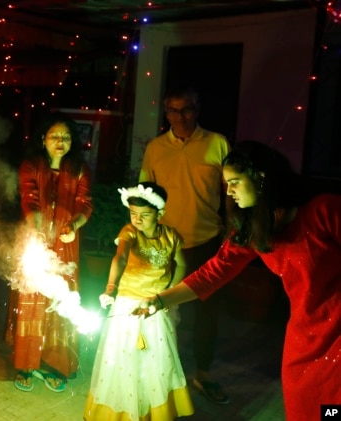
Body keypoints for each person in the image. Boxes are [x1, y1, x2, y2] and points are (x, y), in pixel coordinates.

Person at [133, 140, 341, 420]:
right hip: (304, 338)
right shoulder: (254, 227)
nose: (228, 192)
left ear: (260, 178)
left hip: (337, 335)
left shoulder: (324, 211)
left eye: (234, 182)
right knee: (305, 408)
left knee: (332, 411)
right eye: (226, 183)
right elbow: (214, 272)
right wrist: (159, 300)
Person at [138, 86, 230, 404]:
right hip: (166, 246)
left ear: (198, 109)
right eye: (174, 110)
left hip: (206, 242)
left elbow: (229, 192)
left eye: (187, 109)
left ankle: (203, 375)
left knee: (207, 314)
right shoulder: (155, 148)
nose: (181, 116)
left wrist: (231, 232)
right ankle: (163, 377)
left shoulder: (217, 144)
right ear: (166, 114)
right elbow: (143, 194)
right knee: (164, 311)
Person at [84, 182, 194, 420]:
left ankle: (153, 410)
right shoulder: (129, 232)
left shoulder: (171, 235)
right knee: (124, 358)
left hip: (157, 306)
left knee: (157, 358)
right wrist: (111, 288)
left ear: (160, 214)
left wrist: (169, 293)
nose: (138, 220)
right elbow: (120, 257)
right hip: (127, 304)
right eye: (133, 214)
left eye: (145, 215)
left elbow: (182, 264)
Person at [5, 113, 93, 392]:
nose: (60, 141)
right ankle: (26, 364)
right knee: (32, 300)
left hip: (66, 243)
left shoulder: (79, 168)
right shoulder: (31, 165)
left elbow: (85, 204)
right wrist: (39, 232)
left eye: (66, 137)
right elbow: (28, 199)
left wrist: (74, 227)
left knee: (60, 302)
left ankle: (54, 364)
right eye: (55, 136)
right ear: (43, 139)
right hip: (35, 238)